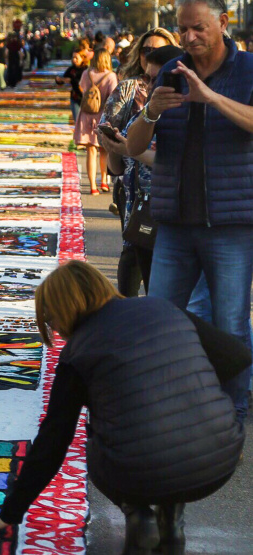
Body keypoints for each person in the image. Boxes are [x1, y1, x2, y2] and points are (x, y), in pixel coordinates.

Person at [0, 261, 246, 555]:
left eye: (50, 320)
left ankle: (138, 514)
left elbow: (53, 442)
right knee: (164, 424)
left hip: (143, 473)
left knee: (98, 438)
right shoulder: (161, 307)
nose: (54, 329)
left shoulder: (77, 352)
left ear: (65, 309)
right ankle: (172, 518)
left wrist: (10, 512)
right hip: (219, 460)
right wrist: (208, 398)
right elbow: (237, 356)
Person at [125, 0, 253, 422]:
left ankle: (231, 410)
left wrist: (210, 97)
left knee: (230, 324)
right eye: (183, 29)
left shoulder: (247, 69)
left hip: (230, 224)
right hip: (175, 222)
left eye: (198, 28)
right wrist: (150, 111)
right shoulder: (171, 70)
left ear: (223, 22)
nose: (189, 37)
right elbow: (135, 146)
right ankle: (159, 404)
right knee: (160, 318)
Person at [98, 29, 180, 296]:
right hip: (137, 197)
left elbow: (175, 161)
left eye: (158, 51)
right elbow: (118, 162)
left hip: (173, 203)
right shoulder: (130, 89)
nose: (150, 56)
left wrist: (131, 149)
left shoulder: (185, 101)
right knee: (134, 254)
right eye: (146, 51)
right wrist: (116, 147)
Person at [74, 49, 117, 195]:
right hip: (103, 115)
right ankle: (104, 180)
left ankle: (93, 186)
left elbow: (82, 88)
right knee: (104, 149)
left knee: (91, 151)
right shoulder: (111, 76)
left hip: (86, 114)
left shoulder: (86, 73)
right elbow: (113, 96)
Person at [56, 50, 88, 122]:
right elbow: (64, 78)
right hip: (75, 98)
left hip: (85, 98)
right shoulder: (71, 69)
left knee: (85, 121)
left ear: (82, 58)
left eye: (76, 58)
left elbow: (81, 82)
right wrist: (59, 80)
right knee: (77, 121)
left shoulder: (86, 70)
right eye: (73, 57)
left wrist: (71, 80)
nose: (74, 59)